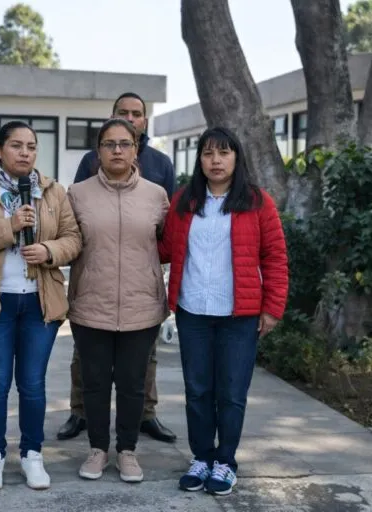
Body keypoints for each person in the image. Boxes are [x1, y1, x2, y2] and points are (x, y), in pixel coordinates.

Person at [0, 121, 81, 491]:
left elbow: (73, 238)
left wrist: (50, 250)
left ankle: (32, 455)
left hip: (39, 302)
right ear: (0, 150)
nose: (25, 153)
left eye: (31, 147)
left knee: (32, 384)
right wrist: (9, 227)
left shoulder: (53, 191)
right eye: (17, 146)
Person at [159, 126, 288, 496]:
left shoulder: (257, 202)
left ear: (236, 158)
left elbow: (275, 258)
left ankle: (226, 462)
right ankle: (201, 457)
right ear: (199, 160)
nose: (216, 160)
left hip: (240, 315)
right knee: (198, 390)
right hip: (193, 311)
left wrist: (272, 308)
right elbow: (165, 249)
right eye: (208, 154)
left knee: (231, 392)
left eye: (224, 153)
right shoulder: (185, 201)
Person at [58, 91, 177, 444]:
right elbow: (75, 224)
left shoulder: (160, 167)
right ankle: (80, 413)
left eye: (136, 114)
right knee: (87, 360)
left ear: (142, 126)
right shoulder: (88, 167)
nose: (118, 150)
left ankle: (145, 416)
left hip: (139, 289)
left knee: (143, 362)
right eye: (122, 112)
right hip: (96, 288)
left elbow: (166, 228)